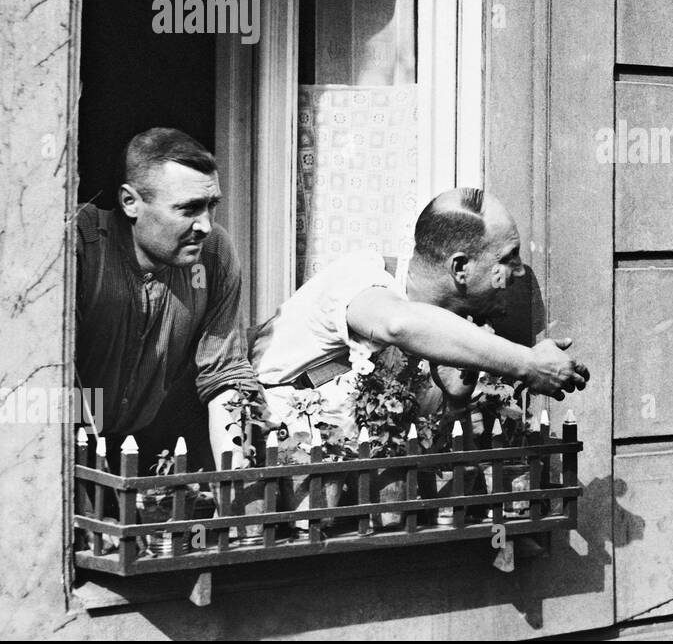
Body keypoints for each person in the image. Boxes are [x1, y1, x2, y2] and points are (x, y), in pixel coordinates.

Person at [253, 187, 589, 440]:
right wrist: (528, 362)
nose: (518, 272)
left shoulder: (454, 334)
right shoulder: (361, 275)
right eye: (507, 257)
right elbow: (397, 324)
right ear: (460, 267)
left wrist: (455, 402)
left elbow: (443, 467)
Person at [75, 128, 259, 469]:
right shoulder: (81, 247)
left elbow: (224, 373)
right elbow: (41, 380)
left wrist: (235, 478)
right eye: (189, 209)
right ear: (130, 202)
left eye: (211, 206)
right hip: (61, 441)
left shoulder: (215, 254)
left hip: (156, 448)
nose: (205, 225)